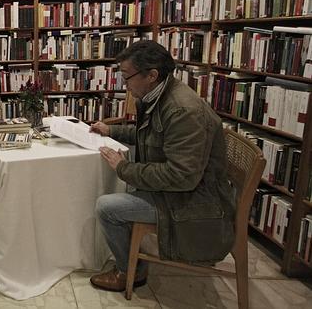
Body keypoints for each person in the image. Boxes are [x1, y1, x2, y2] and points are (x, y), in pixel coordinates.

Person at [88, 41, 234, 292]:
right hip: (181, 194)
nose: (125, 84)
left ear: (152, 75)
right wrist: (112, 130)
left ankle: (129, 272)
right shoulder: (161, 95)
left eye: (127, 77)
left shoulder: (182, 110)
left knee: (107, 207)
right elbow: (152, 136)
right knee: (123, 184)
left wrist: (124, 168)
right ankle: (130, 257)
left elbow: (182, 176)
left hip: (192, 202)